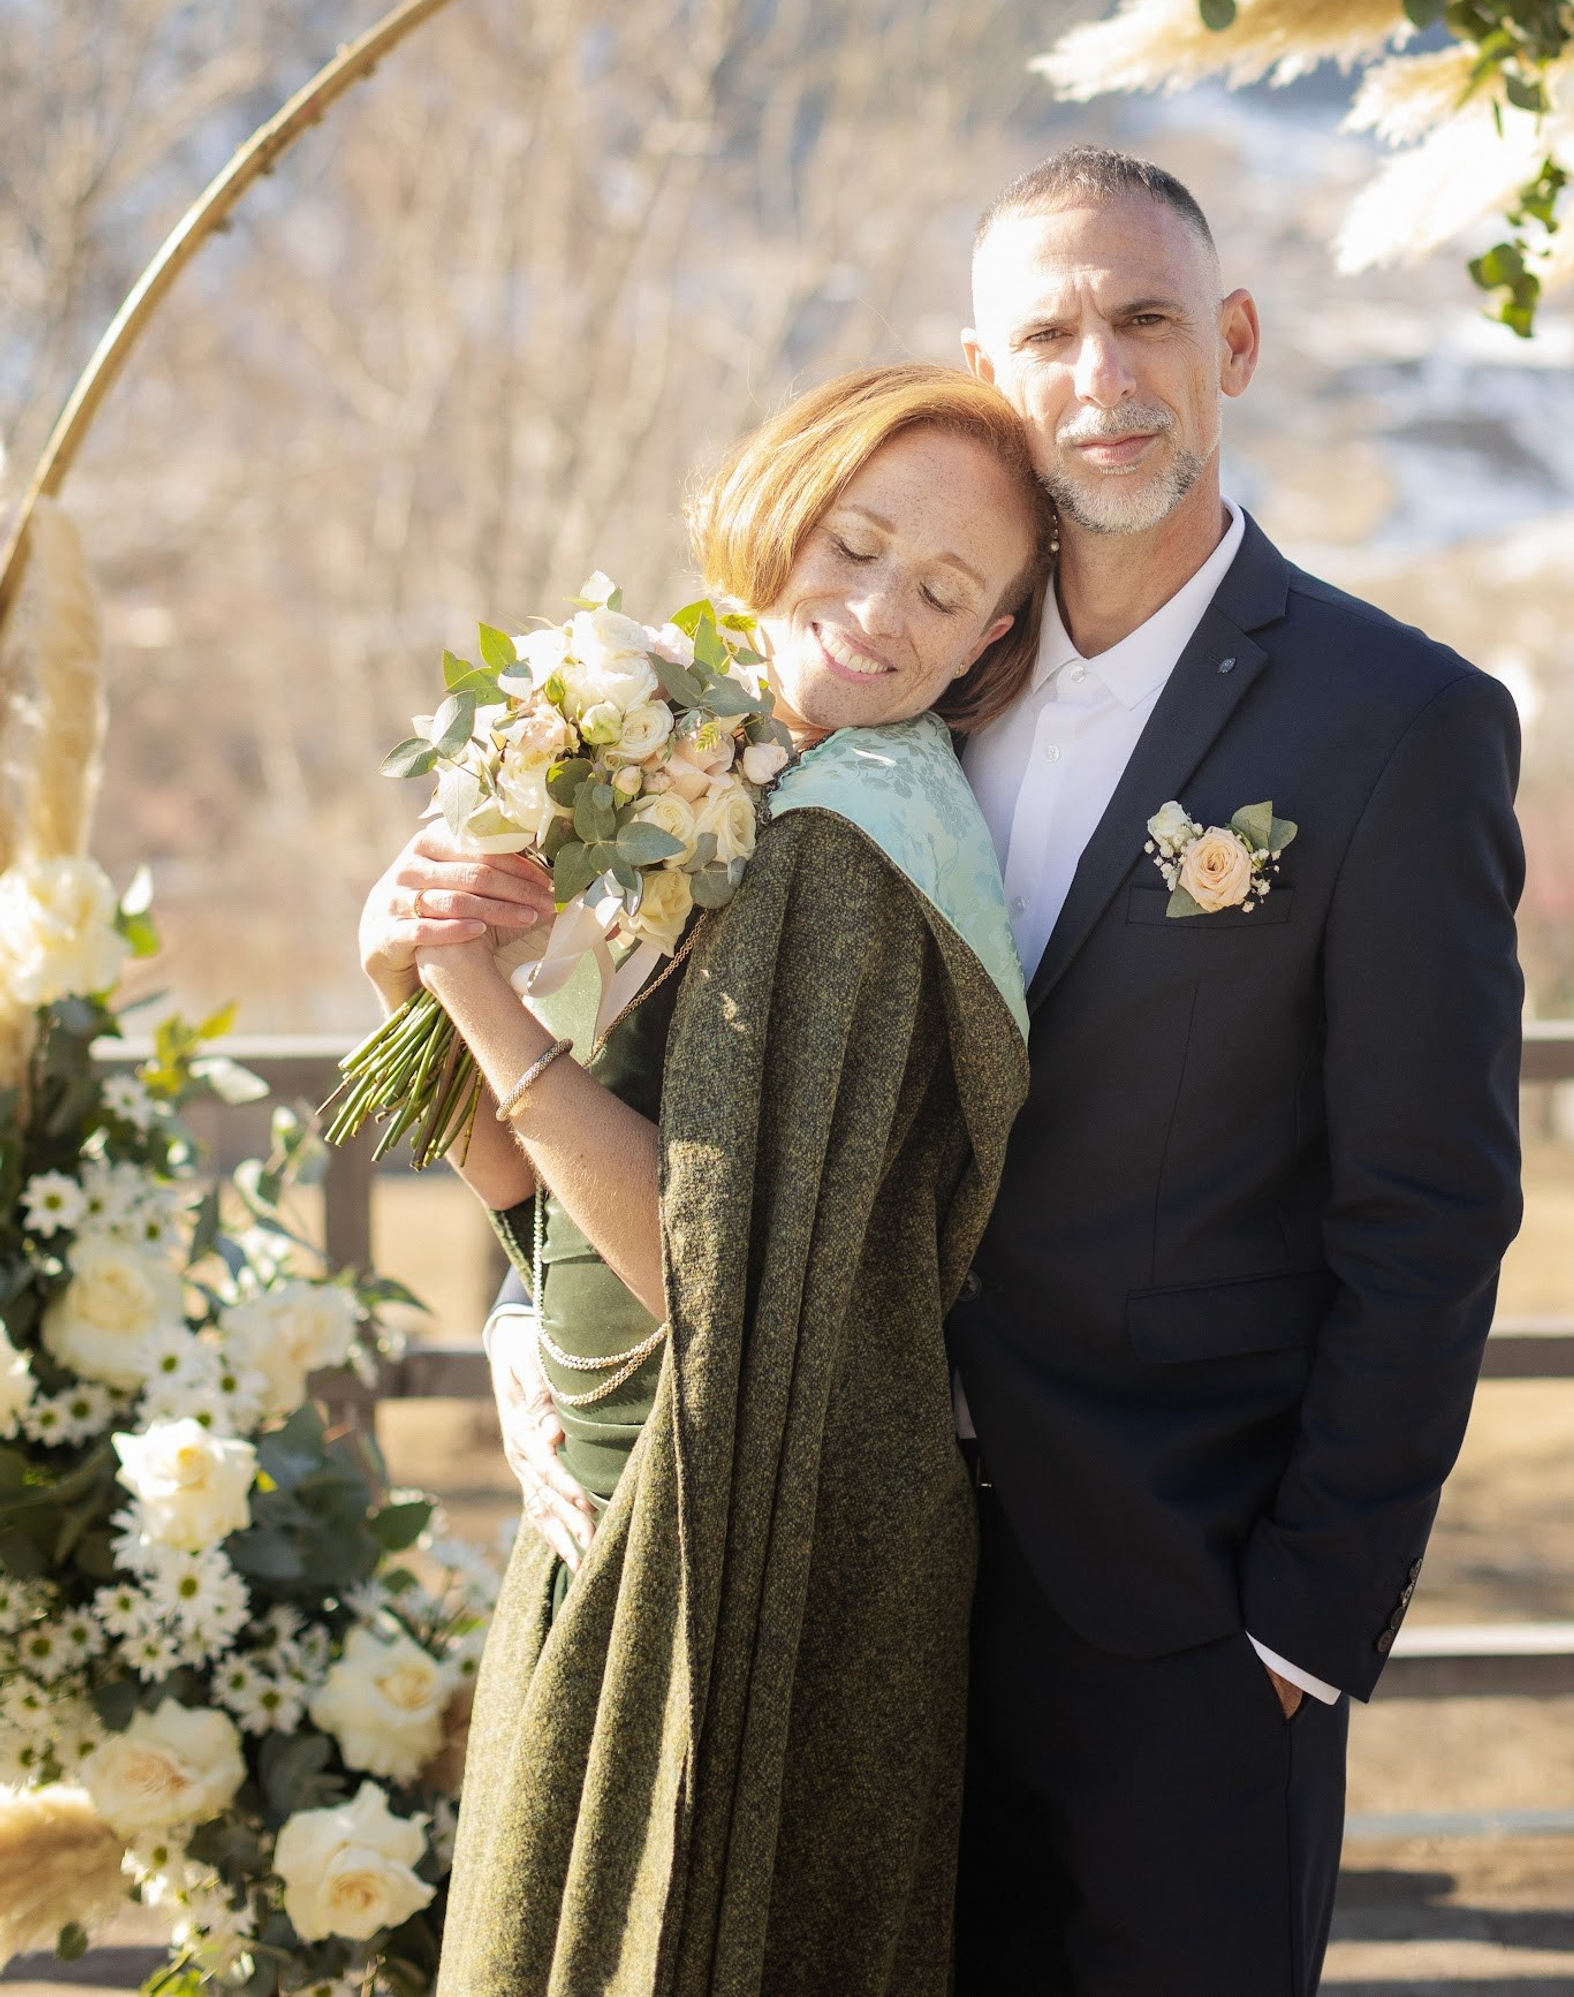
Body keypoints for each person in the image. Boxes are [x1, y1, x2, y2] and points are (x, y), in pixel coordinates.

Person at [487, 147, 1527, 1997]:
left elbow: (1428, 1209)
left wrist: (1310, 1623)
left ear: (1235, 342)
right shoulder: (899, 679)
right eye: (1050, 333)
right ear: (991, 370)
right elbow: (657, 1064)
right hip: (830, 1564)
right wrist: (539, 1340)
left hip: (1173, 1614)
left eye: (1145, 321)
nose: (1103, 375)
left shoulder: (1396, 725)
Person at [356, 365, 1051, 1997]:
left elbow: (705, 1273)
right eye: (855, 543)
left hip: (756, 1539)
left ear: (988, 647)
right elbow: (550, 1208)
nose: (880, 611)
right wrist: (412, 976)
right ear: (782, 511)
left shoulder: (846, 853)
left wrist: (474, 994)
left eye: (945, 593)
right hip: (616, 1486)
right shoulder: (730, 781)